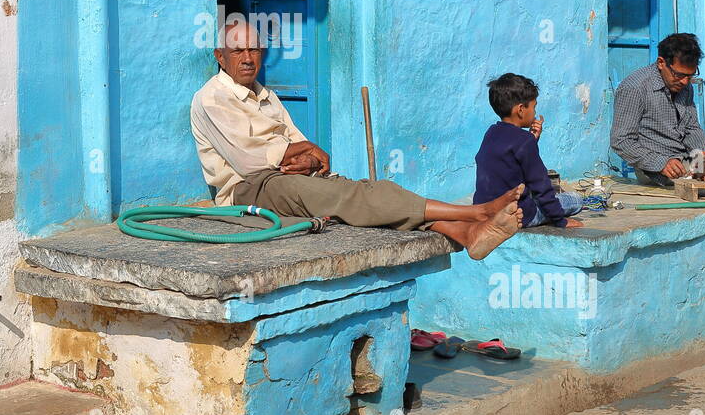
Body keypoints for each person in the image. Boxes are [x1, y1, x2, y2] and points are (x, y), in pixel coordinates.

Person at [189, 19, 524, 260]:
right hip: (249, 189)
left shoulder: (266, 95)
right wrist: (301, 151)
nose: (247, 58)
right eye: (237, 51)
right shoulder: (212, 98)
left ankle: (466, 235)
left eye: (254, 49)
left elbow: (297, 144)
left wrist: (305, 157)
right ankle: (476, 213)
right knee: (349, 198)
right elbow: (250, 163)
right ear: (220, 56)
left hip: (282, 179)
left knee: (367, 193)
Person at [474, 73, 584, 228]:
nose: (534, 112)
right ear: (520, 109)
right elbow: (540, 185)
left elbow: (513, 163)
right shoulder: (524, 141)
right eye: (534, 106)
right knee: (575, 199)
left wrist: (532, 140)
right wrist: (560, 220)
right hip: (520, 216)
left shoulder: (491, 133)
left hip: (486, 213)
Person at [610, 33, 705, 187]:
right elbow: (621, 140)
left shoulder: (686, 86)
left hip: (684, 163)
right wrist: (662, 163)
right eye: (679, 75)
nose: (684, 81)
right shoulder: (635, 87)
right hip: (653, 170)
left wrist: (699, 157)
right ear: (661, 62)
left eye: (690, 76)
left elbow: (692, 128)